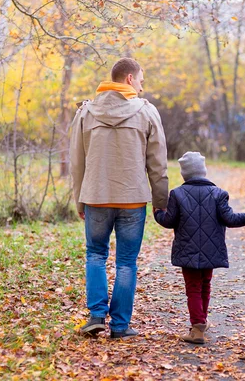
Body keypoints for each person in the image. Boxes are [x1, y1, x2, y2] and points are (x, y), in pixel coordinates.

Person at [70, 58, 169, 339]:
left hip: (96, 197)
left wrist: (80, 200)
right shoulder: (147, 112)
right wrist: (161, 202)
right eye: (140, 79)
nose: (141, 85)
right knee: (126, 262)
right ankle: (121, 326)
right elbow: (158, 163)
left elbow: (77, 163)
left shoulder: (86, 112)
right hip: (132, 199)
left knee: (96, 255)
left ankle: (97, 316)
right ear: (128, 79)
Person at [154, 152, 245, 344]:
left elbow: (169, 221)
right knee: (205, 285)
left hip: (187, 250)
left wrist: (157, 213)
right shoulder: (218, 193)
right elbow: (231, 219)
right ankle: (201, 320)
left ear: (185, 174)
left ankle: (197, 327)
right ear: (203, 171)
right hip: (212, 251)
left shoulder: (177, 194)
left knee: (193, 288)